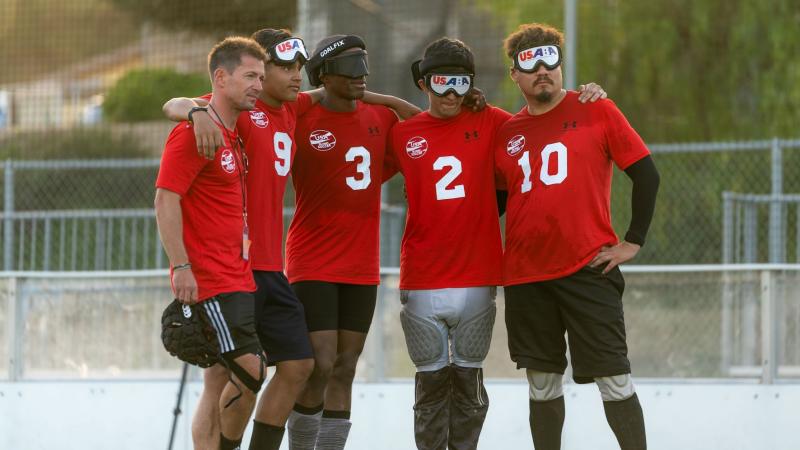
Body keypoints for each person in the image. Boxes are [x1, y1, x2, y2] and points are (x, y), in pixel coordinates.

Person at [163, 29, 418, 450]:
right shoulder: (240, 110)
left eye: (297, 66)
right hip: (229, 267)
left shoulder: (293, 106)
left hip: (269, 267)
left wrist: (390, 101)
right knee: (224, 376)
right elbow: (177, 106)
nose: (294, 75)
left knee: (297, 366)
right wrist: (194, 111)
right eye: (282, 67)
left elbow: (334, 91)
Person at [387, 37, 607, 450]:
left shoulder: (494, 122)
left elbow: (545, 123)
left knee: (469, 385)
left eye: (460, 82)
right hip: (422, 276)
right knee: (430, 384)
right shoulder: (402, 135)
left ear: (472, 83)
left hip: (478, 275)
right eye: (441, 82)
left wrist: (586, 97)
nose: (451, 92)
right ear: (423, 84)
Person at [494, 23, 659, 450]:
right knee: (543, 382)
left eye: (550, 59)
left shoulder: (597, 109)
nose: (542, 69)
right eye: (529, 63)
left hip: (589, 268)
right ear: (515, 75)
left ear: (562, 66)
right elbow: (491, 205)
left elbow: (646, 175)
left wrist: (633, 240)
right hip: (527, 277)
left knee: (614, 378)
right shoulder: (507, 133)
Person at [284, 34, 418, 450]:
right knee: (318, 364)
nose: (362, 75)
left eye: (365, 64)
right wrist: (320, 91)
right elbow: (261, 103)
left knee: (345, 367)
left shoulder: (379, 116)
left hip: (361, 263)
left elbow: (419, 124)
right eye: (351, 68)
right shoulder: (302, 113)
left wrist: (374, 95)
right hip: (312, 259)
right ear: (324, 76)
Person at [154, 36, 269, 450]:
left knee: (219, 378)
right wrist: (181, 265)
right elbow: (165, 199)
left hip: (238, 273)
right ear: (220, 78)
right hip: (211, 278)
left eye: (261, 76)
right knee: (253, 371)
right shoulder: (193, 132)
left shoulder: (230, 132)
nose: (259, 84)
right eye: (250, 76)